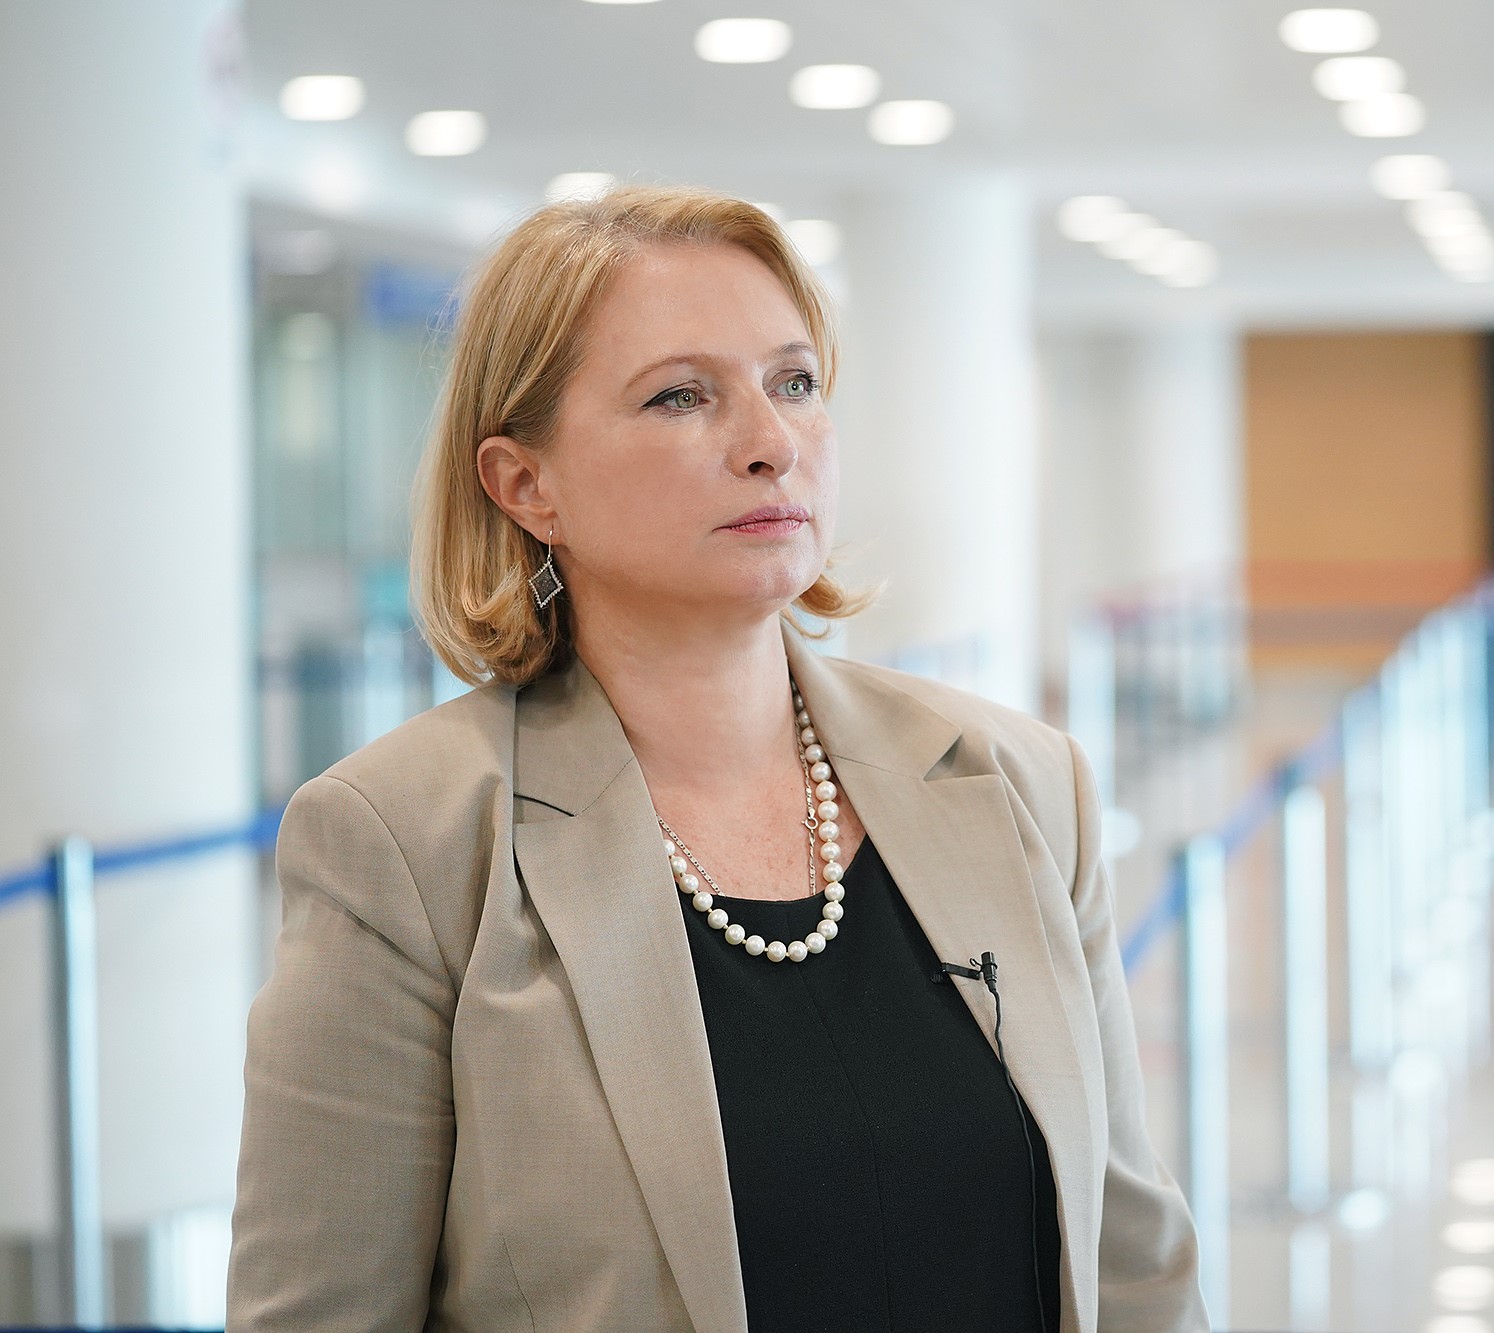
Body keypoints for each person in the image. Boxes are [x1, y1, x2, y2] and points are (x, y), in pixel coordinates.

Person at [227, 184, 1208, 1332]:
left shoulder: (1021, 782)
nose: (771, 443)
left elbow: (1133, 1263)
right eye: (681, 396)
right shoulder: (405, 840)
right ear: (525, 484)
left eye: (794, 383)